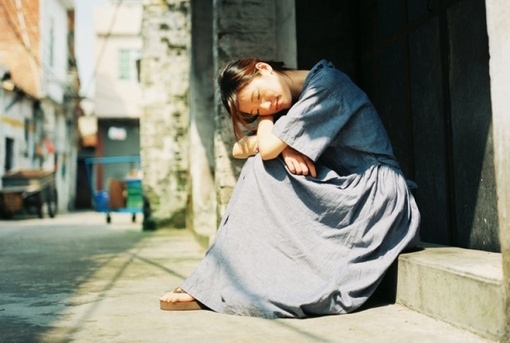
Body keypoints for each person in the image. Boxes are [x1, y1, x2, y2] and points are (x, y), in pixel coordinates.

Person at [159, 58, 420, 318]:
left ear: (263, 68)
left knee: (261, 166)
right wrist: (284, 149)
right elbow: (238, 148)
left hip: (376, 196)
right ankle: (216, 278)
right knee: (260, 163)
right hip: (350, 189)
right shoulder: (297, 100)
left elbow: (267, 148)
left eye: (260, 95)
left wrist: (269, 126)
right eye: (258, 108)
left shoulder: (326, 85)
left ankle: (213, 280)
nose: (266, 105)